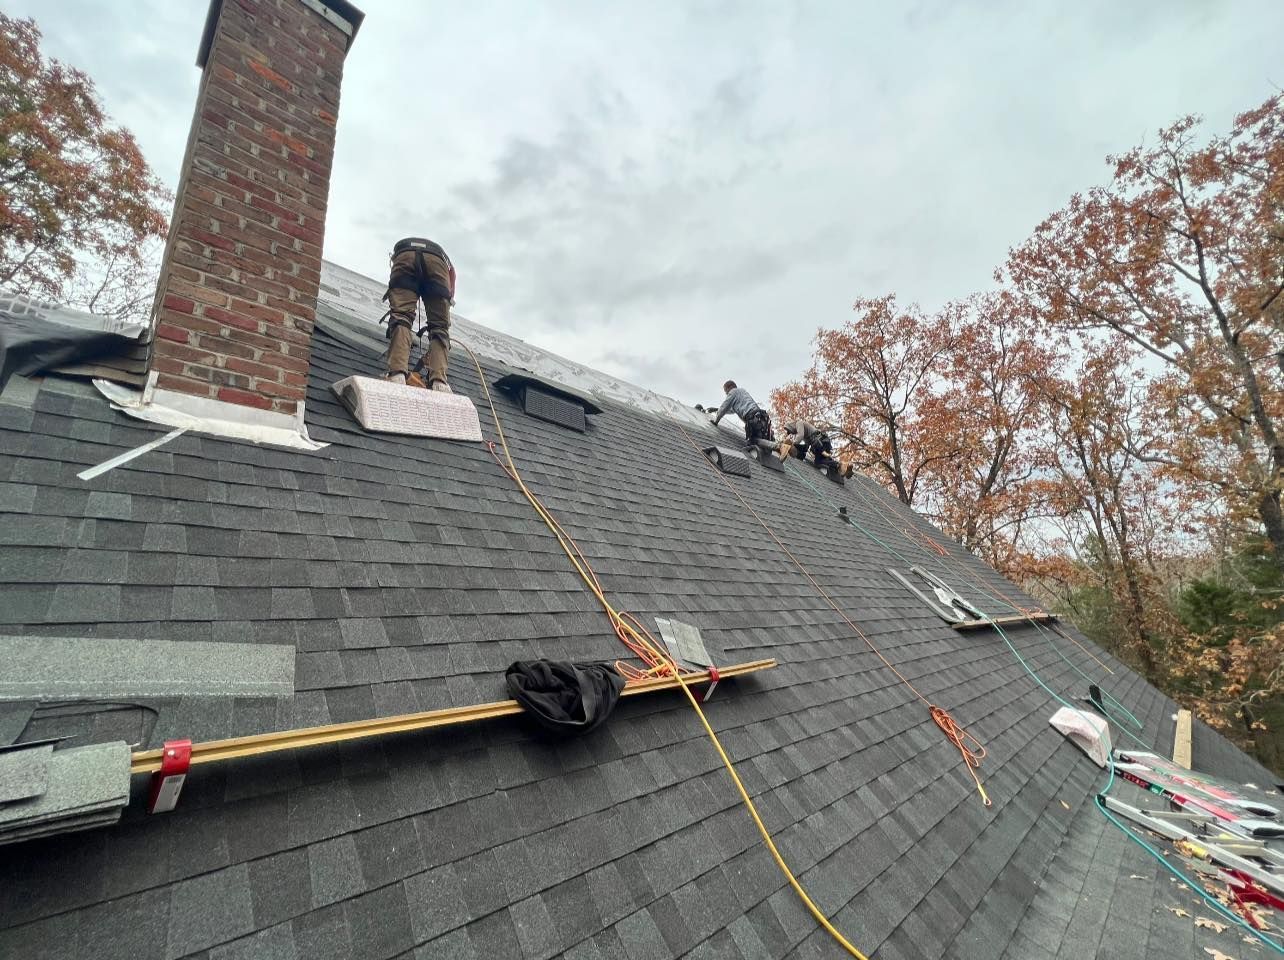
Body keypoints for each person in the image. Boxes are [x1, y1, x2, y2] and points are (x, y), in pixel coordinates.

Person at [382, 237, 456, 391]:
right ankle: (439, 382)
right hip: (438, 260)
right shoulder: (450, 270)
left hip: (404, 254)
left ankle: (397, 374)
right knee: (440, 326)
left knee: (401, 316)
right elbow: (450, 289)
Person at [711, 380, 774, 450]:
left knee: (752, 441)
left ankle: (778, 446)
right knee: (762, 443)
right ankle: (779, 446)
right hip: (761, 417)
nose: (726, 394)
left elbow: (724, 407)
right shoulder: (742, 391)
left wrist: (716, 421)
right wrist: (716, 410)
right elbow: (730, 410)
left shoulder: (733, 392)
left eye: (726, 391)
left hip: (752, 418)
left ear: (729, 388)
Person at [779, 420, 854, 477]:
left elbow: (800, 436)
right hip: (822, 442)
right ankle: (843, 468)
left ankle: (840, 465)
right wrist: (798, 453)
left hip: (820, 443)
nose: (789, 434)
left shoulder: (799, 423)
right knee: (824, 460)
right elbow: (805, 447)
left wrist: (792, 443)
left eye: (788, 431)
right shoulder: (808, 433)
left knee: (818, 462)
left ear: (790, 427)